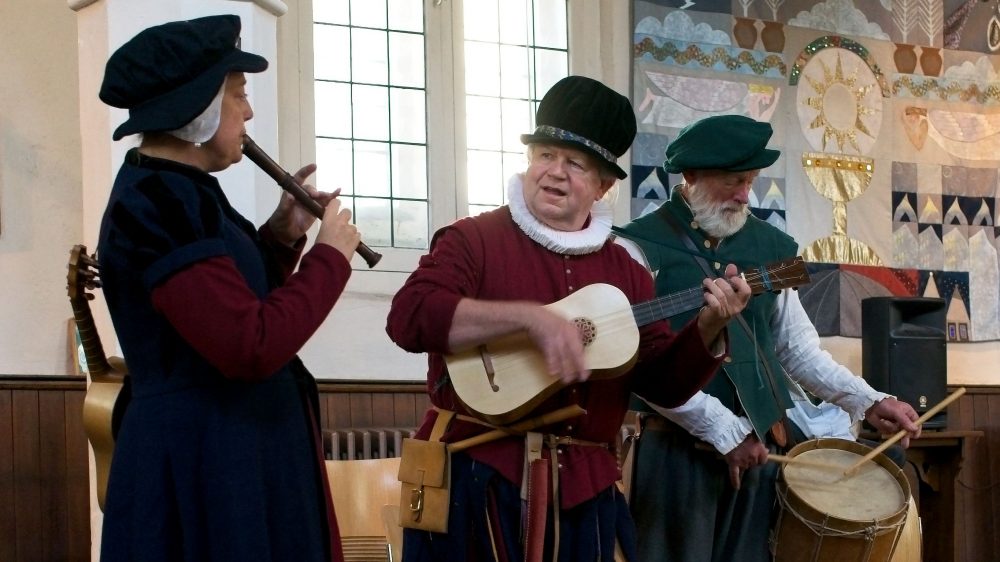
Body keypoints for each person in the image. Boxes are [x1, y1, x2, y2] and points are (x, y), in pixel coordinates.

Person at [384, 75, 752, 562]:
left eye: (575, 164)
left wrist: (707, 327)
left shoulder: (627, 270)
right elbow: (410, 319)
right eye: (544, 155)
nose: (554, 172)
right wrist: (527, 319)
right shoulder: (472, 240)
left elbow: (660, 383)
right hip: (475, 484)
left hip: (583, 496)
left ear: (602, 185)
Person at [96, 15, 359, 562]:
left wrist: (283, 236)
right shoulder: (156, 201)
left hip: (231, 448)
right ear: (200, 107)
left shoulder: (185, 192)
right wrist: (330, 259)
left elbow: (222, 298)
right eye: (237, 94)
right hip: (201, 461)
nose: (248, 111)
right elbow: (247, 344)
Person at [615, 114, 922, 562]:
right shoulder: (634, 247)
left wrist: (870, 401)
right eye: (733, 182)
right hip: (672, 454)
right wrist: (722, 430)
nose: (745, 195)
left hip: (759, 451)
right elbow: (638, 363)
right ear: (692, 175)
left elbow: (796, 350)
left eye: (751, 181)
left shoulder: (771, 246)